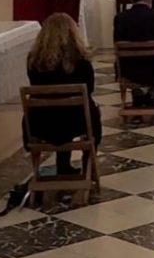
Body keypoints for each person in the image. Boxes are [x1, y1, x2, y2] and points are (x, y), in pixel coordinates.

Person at [23, 13, 102, 175]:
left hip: (40, 122)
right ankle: (88, 162)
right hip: (76, 121)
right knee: (90, 110)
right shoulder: (81, 61)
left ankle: (62, 165)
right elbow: (90, 89)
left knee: (56, 107)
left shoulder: (34, 60)